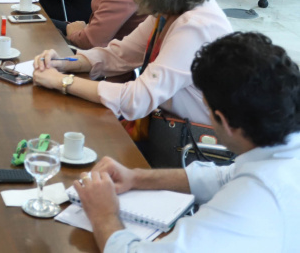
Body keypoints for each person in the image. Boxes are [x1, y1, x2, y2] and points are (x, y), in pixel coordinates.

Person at [73, 31, 300, 252]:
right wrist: (136, 177)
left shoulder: (249, 202)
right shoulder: (279, 154)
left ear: (223, 120)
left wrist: (104, 215)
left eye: (207, 109)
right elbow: (223, 176)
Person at [32, 0, 232, 125]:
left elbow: (137, 99)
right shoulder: (171, 9)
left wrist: (62, 82)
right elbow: (119, 54)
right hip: (166, 124)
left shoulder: (194, 27)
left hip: (191, 142)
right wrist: (64, 62)